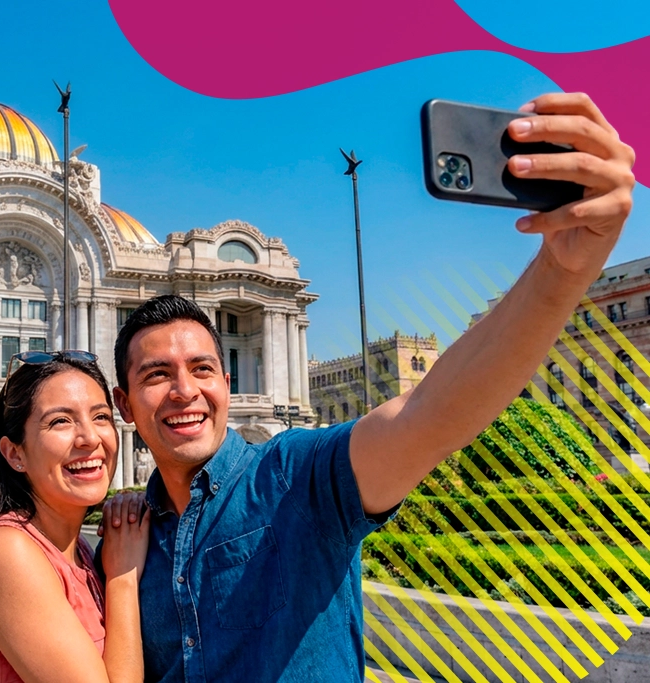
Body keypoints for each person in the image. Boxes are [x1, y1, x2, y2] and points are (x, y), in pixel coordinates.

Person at [103, 92, 635, 682]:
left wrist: (562, 272)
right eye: (157, 375)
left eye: (203, 369)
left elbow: (429, 416)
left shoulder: (296, 478)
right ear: (124, 404)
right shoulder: (126, 541)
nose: (185, 390)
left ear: (226, 383)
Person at [0, 350, 150, 683]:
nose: (90, 438)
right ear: (15, 453)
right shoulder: (6, 553)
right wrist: (123, 577)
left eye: (100, 416)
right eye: (60, 421)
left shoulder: (77, 550)